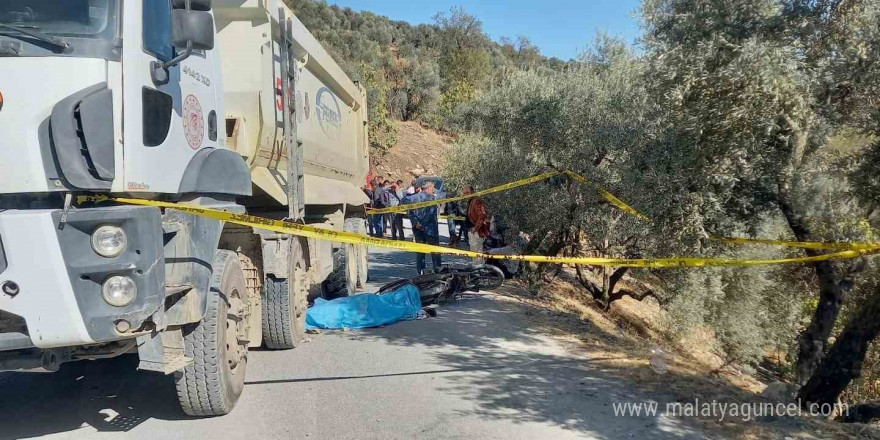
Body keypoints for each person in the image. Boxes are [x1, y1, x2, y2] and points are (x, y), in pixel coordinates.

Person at [406, 180, 443, 274]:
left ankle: (420, 273)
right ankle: (437, 272)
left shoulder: (412, 198)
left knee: (420, 252)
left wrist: (416, 223)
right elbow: (431, 214)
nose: (433, 190)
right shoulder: (432, 199)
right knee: (435, 252)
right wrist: (423, 224)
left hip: (417, 230)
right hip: (431, 230)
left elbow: (410, 212)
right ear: (429, 188)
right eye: (433, 188)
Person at [466, 185, 490, 263]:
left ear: (473, 192)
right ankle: (477, 270)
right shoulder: (471, 201)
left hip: (477, 232)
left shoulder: (476, 201)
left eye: (467, 192)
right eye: (464, 193)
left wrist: (475, 229)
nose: (466, 194)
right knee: (475, 254)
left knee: (477, 254)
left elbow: (482, 215)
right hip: (474, 232)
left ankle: (479, 271)